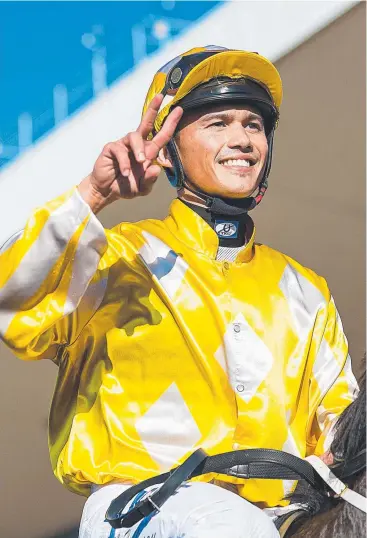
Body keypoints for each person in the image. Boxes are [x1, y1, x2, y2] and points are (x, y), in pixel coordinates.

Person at [0, 46, 359, 538]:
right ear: (167, 150)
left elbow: (340, 425)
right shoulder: (116, 256)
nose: (243, 139)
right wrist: (94, 195)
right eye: (217, 124)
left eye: (253, 124)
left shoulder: (306, 289)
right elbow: (12, 303)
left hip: (277, 520)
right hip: (138, 509)